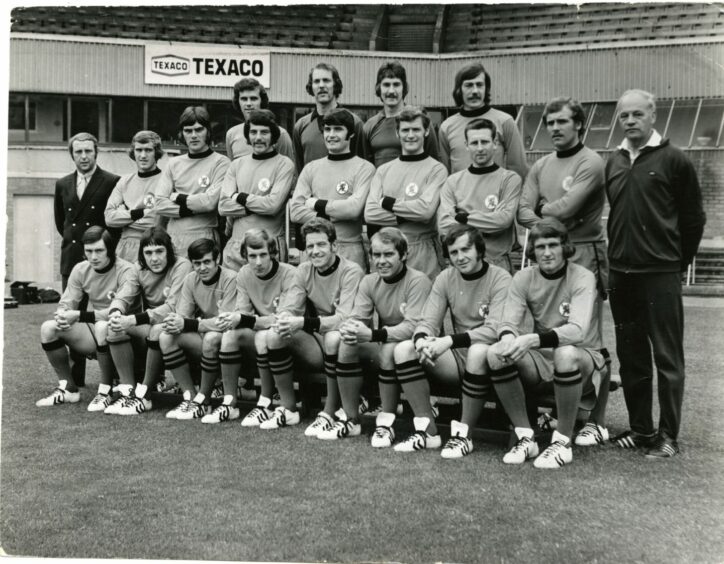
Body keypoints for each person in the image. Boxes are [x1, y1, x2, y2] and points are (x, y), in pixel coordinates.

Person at [605, 89, 706, 459]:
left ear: (652, 116)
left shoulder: (674, 159)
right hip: (621, 272)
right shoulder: (613, 161)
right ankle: (641, 429)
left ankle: (668, 436)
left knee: (667, 357)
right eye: (623, 116)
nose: (630, 121)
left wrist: (676, 263)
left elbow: (693, 219)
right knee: (631, 356)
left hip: (659, 273)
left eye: (636, 115)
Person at [516, 97, 611, 446]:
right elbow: (522, 211)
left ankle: (596, 420)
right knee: (550, 330)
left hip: (583, 252)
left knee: (588, 338)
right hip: (547, 255)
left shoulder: (591, 162)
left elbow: (568, 208)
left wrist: (545, 211)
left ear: (579, 125)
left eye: (562, 122)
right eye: (550, 123)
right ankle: (561, 411)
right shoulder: (541, 165)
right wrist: (547, 214)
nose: (555, 128)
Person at [486, 218, 608, 469]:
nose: (547, 252)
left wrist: (532, 338)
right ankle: (525, 436)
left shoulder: (583, 276)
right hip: (543, 357)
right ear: (532, 250)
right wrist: (508, 337)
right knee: (496, 353)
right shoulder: (523, 277)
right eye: (540, 246)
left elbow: (577, 331)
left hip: (585, 356)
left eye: (553, 245)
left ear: (565, 246)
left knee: (564, 353)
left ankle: (562, 441)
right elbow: (508, 321)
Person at [392, 225, 511, 453]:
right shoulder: (446, 277)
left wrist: (448, 341)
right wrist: (421, 340)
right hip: (458, 361)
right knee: (405, 349)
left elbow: (496, 328)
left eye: (466, 249)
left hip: (492, 361)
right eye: (454, 252)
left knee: (478, 352)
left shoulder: (500, 278)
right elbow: (428, 321)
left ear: (479, 249)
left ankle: (463, 436)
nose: (460, 257)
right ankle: (427, 432)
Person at [311, 227, 431, 442]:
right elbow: (358, 316)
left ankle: (386, 422)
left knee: (389, 349)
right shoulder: (369, 281)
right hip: (385, 343)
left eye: (388, 254)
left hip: (418, 350)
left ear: (403, 255)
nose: (381, 261)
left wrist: (372, 335)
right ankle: (351, 419)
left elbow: (413, 327)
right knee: (345, 340)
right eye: (376, 255)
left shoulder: (418, 280)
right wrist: (351, 328)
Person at [260, 218, 364, 430]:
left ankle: (330, 410)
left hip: (352, 343)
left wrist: (302, 322)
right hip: (320, 339)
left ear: (334, 246)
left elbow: (344, 319)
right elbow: (291, 306)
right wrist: (285, 318)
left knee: (335, 337)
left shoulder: (352, 271)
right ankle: (288, 409)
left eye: (321, 245)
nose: (315, 251)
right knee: (273, 334)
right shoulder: (304, 269)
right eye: (310, 246)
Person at [37, 227, 135, 410]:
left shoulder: (126, 270)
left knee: (102, 326)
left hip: (127, 334)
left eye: (99, 250)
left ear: (110, 249)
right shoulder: (81, 269)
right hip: (97, 331)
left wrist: (79, 315)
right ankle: (68, 389)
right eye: (89, 251)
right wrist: (63, 315)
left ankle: (104, 391)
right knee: (49, 328)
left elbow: (118, 311)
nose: (94, 257)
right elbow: (67, 302)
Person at [101, 227, 193, 415]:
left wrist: (134, 319)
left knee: (157, 330)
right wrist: (116, 312)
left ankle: (145, 395)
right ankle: (129, 392)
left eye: (159, 251)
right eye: (148, 253)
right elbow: (125, 293)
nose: (154, 258)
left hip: (180, 325)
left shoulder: (182, 266)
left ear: (169, 250)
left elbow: (173, 307)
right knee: (114, 328)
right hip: (151, 324)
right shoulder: (138, 268)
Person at [54, 132, 120, 386]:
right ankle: (75, 378)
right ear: (72, 154)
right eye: (78, 152)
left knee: (109, 316)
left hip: (102, 260)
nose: (83, 156)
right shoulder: (62, 184)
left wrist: (98, 251)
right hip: (72, 258)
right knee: (70, 316)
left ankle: (114, 376)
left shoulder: (112, 181)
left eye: (88, 151)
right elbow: (63, 224)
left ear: (96, 152)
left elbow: (112, 225)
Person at [212, 229, 297, 425]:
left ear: (273, 253)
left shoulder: (289, 273)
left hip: (291, 336)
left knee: (263, 336)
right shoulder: (243, 273)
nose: (258, 262)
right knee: (230, 335)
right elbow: (244, 313)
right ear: (245, 256)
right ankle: (229, 403)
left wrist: (248, 320)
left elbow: (283, 318)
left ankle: (265, 403)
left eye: (263, 255)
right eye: (252, 256)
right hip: (263, 333)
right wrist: (234, 318)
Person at [365, 107, 448, 280]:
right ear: (397, 133)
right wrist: (411, 212)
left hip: (424, 251)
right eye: (405, 130)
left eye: (416, 129)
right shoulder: (383, 170)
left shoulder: (437, 169)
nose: (410, 135)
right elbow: (370, 213)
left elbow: (425, 211)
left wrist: (387, 203)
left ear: (426, 132)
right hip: (389, 250)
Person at [159, 238, 237, 420]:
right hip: (204, 334)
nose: (202, 268)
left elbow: (225, 322)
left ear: (217, 260)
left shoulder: (231, 278)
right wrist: (173, 322)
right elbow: (183, 316)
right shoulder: (190, 279)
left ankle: (204, 400)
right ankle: (189, 397)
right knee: (166, 336)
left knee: (211, 337)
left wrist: (190, 324)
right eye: (197, 263)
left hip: (228, 339)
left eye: (207, 262)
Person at [290, 109, 375, 271]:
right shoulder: (311, 168)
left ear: (350, 134)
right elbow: (295, 211)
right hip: (315, 248)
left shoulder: (364, 168)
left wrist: (315, 203)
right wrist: (335, 212)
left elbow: (353, 210)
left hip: (349, 248)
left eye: (338, 129)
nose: (331, 134)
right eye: (327, 129)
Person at [438, 118, 522, 273]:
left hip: (497, 264)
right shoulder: (453, 182)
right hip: (462, 264)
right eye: (474, 143)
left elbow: (503, 220)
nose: (480, 148)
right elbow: (444, 226)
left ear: (495, 143)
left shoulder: (509, 179)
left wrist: (461, 217)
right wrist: (488, 220)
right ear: (466, 146)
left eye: (485, 142)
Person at [219, 109, 296, 270]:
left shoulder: (284, 164)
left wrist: (239, 196)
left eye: (264, 132)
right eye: (253, 132)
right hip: (236, 247)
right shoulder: (236, 165)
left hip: (269, 247)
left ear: (273, 135)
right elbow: (223, 206)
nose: (258, 137)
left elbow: (272, 206)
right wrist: (258, 205)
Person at [155, 106, 230, 256]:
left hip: (204, 236)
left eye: (199, 130)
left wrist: (177, 197)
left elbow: (209, 202)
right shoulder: (173, 163)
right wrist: (192, 207)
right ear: (182, 133)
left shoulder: (221, 163)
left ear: (208, 131)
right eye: (188, 131)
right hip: (174, 237)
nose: (193, 135)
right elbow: (159, 204)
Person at [438, 62, 527, 179]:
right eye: (469, 85)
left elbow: (518, 169)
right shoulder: (447, 127)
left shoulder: (505, 121)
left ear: (486, 88)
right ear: (459, 90)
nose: (475, 91)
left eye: (479, 85)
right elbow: (445, 173)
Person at [362, 61, 439, 168]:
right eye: (386, 85)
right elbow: (365, 167)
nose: (391, 91)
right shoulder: (369, 126)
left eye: (396, 84)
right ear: (379, 88)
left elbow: (434, 161)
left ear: (404, 88)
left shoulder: (420, 120)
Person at [292, 62, 366, 172]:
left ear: (335, 85)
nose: (321, 85)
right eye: (316, 81)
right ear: (311, 87)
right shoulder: (301, 126)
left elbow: (362, 166)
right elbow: (299, 170)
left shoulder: (355, 123)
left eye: (326, 80)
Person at [104, 130, 165, 262]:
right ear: (133, 152)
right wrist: (142, 212)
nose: (143, 155)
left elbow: (155, 220)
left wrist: (124, 214)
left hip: (155, 247)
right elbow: (109, 218)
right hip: (125, 249)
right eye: (139, 150)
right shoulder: (124, 181)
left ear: (156, 152)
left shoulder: (166, 180)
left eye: (148, 150)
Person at [226, 77, 295, 162]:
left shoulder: (281, 134)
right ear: (238, 101)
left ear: (261, 101)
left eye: (253, 98)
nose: (248, 104)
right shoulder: (232, 134)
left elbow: (289, 170)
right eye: (244, 99)